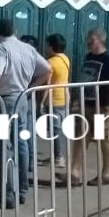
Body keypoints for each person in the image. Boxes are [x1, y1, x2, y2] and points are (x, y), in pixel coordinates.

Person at [0, 19, 51, 208]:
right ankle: (22, 190)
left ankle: (9, 194)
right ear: (14, 30)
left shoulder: (2, 48)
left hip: (4, 100)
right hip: (22, 98)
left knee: (2, 147)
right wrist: (30, 88)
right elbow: (47, 70)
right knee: (21, 143)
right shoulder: (28, 48)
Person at [68, 28, 109, 186]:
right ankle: (74, 172)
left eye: (91, 39)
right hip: (86, 104)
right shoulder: (88, 57)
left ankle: (106, 173)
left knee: (105, 141)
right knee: (80, 137)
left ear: (100, 40)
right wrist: (76, 100)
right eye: (88, 38)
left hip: (103, 106)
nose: (88, 41)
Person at [41, 34, 70, 172]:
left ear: (51, 46)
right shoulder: (65, 59)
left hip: (53, 100)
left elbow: (47, 85)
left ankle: (58, 158)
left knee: (55, 130)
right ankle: (57, 156)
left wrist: (41, 102)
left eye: (47, 45)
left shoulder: (50, 63)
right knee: (58, 129)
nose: (45, 47)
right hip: (64, 97)